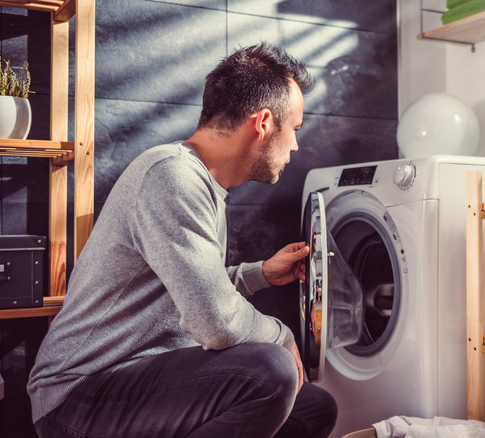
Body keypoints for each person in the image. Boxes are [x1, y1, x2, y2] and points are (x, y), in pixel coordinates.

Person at [27, 43, 337, 438]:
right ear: (262, 124)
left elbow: (186, 288)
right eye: (294, 129)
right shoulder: (171, 176)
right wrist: (283, 335)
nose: (295, 145)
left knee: (313, 409)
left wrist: (258, 274)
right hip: (80, 395)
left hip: (134, 380)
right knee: (271, 371)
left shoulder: (198, 181)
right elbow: (217, 323)